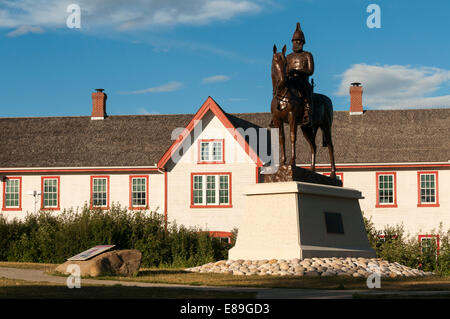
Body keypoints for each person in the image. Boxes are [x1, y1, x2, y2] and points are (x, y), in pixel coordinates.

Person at [286, 22, 314, 126]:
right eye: (294, 41)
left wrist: (297, 71)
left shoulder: (307, 55)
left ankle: (307, 113)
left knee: (306, 92)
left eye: (298, 41)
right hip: (290, 81)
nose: (295, 43)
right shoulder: (288, 57)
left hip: (302, 80)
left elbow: (311, 71)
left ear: (302, 42)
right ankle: (276, 112)